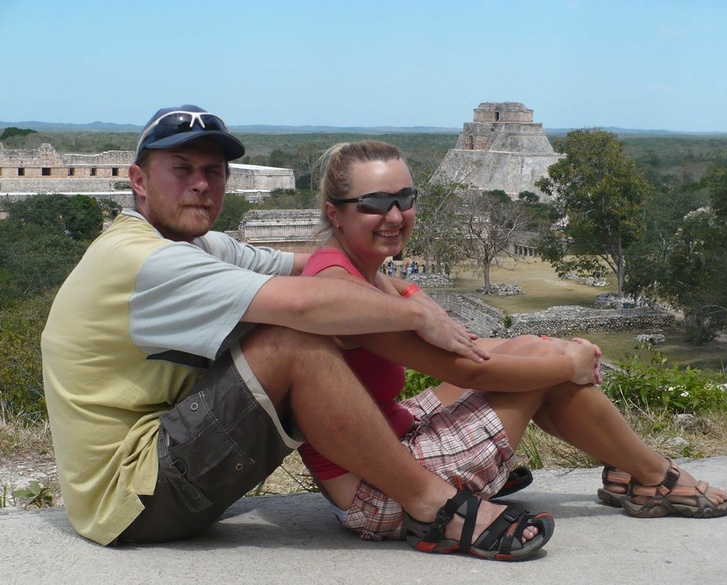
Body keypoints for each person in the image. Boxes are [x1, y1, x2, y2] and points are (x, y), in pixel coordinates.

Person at [41, 105, 552, 561]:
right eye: (181, 170)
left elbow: (322, 267)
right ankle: (433, 504)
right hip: (133, 497)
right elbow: (310, 302)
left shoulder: (202, 245)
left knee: (307, 322)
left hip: (155, 472)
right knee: (293, 339)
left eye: (212, 172)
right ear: (138, 180)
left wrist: (407, 294)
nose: (200, 184)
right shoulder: (146, 260)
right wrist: (420, 317)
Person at [297, 140, 727, 549]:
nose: (395, 215)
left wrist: (549, 349)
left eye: (405, 199)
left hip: (393, 438)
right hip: (381, 491)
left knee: (531, 346)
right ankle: (652, 474)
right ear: (334, 212)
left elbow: (466, 345)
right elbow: (468, 371)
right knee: (549, 369)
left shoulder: (363, 273)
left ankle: (634, 467)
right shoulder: (340, 291)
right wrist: (570, 365)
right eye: (374, 203)